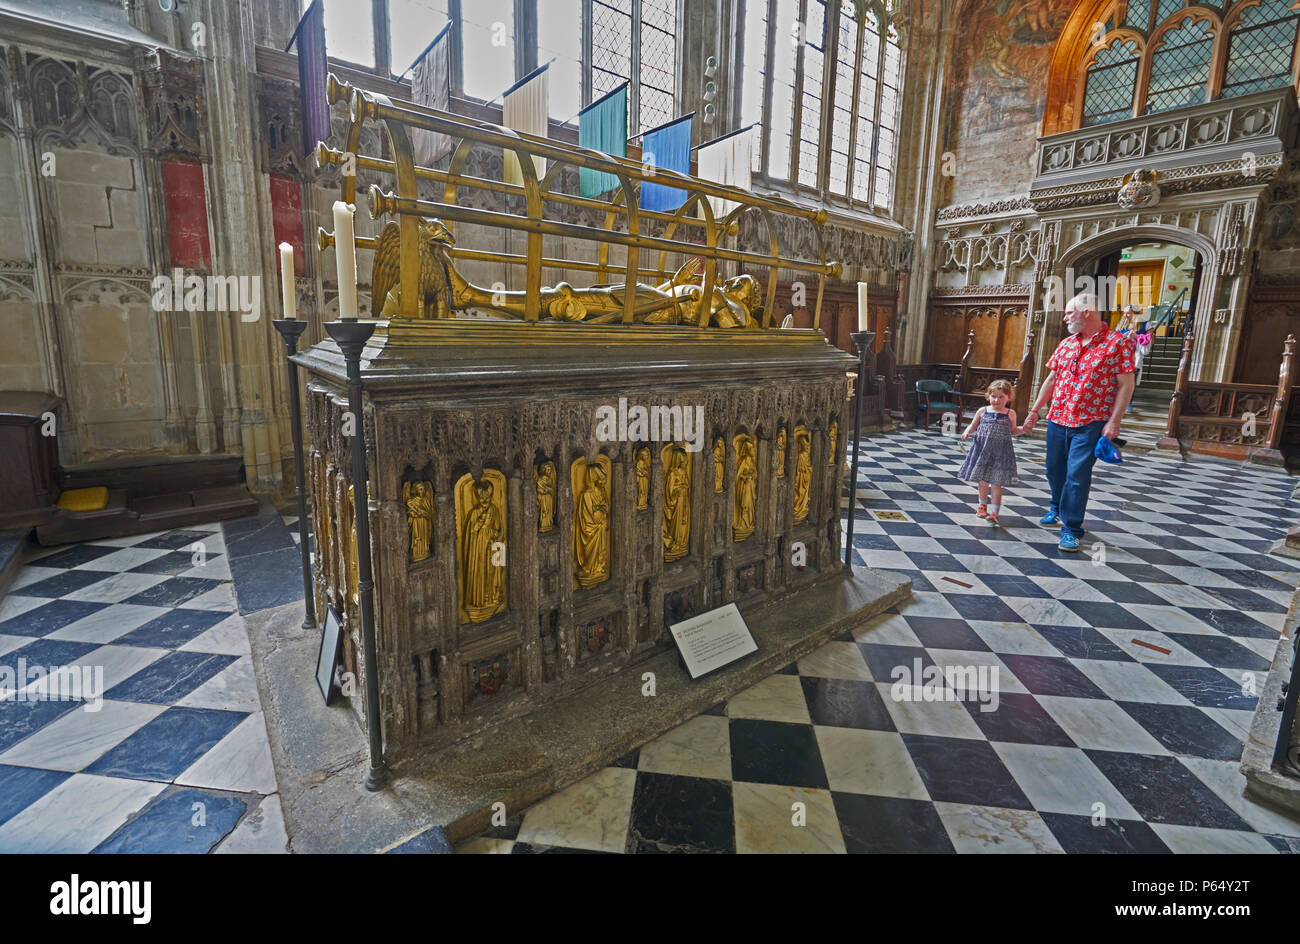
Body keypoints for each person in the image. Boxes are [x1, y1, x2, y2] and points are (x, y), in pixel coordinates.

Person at [1021, 293, 1135, 551]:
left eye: (1069, 312)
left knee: (1077, 475)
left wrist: (1114, 422)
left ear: (1087, 313)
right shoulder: (1066, 344)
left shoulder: (1117, 344)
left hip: (1091, 421)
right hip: (1058, 417)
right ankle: (1055, 507)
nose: (1064, 317)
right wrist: (1035, 410)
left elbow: (1126, 384)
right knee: (1053, 469)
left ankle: (1071, 529)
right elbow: (1051, 379)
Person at [958, 379, 1024, 525]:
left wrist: (1024, 429)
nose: (997, 400)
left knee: (996, 483)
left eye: (1001, 397)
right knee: (982, 481)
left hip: (1000, 453)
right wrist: (967, 432)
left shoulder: (1010, 413)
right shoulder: (983, 411)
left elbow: (1013, 431)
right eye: (994, 396)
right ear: (988, 396)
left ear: (1008, 397)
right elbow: (973, 425)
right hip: (983, 450)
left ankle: (994, 512)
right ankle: (982, 506)